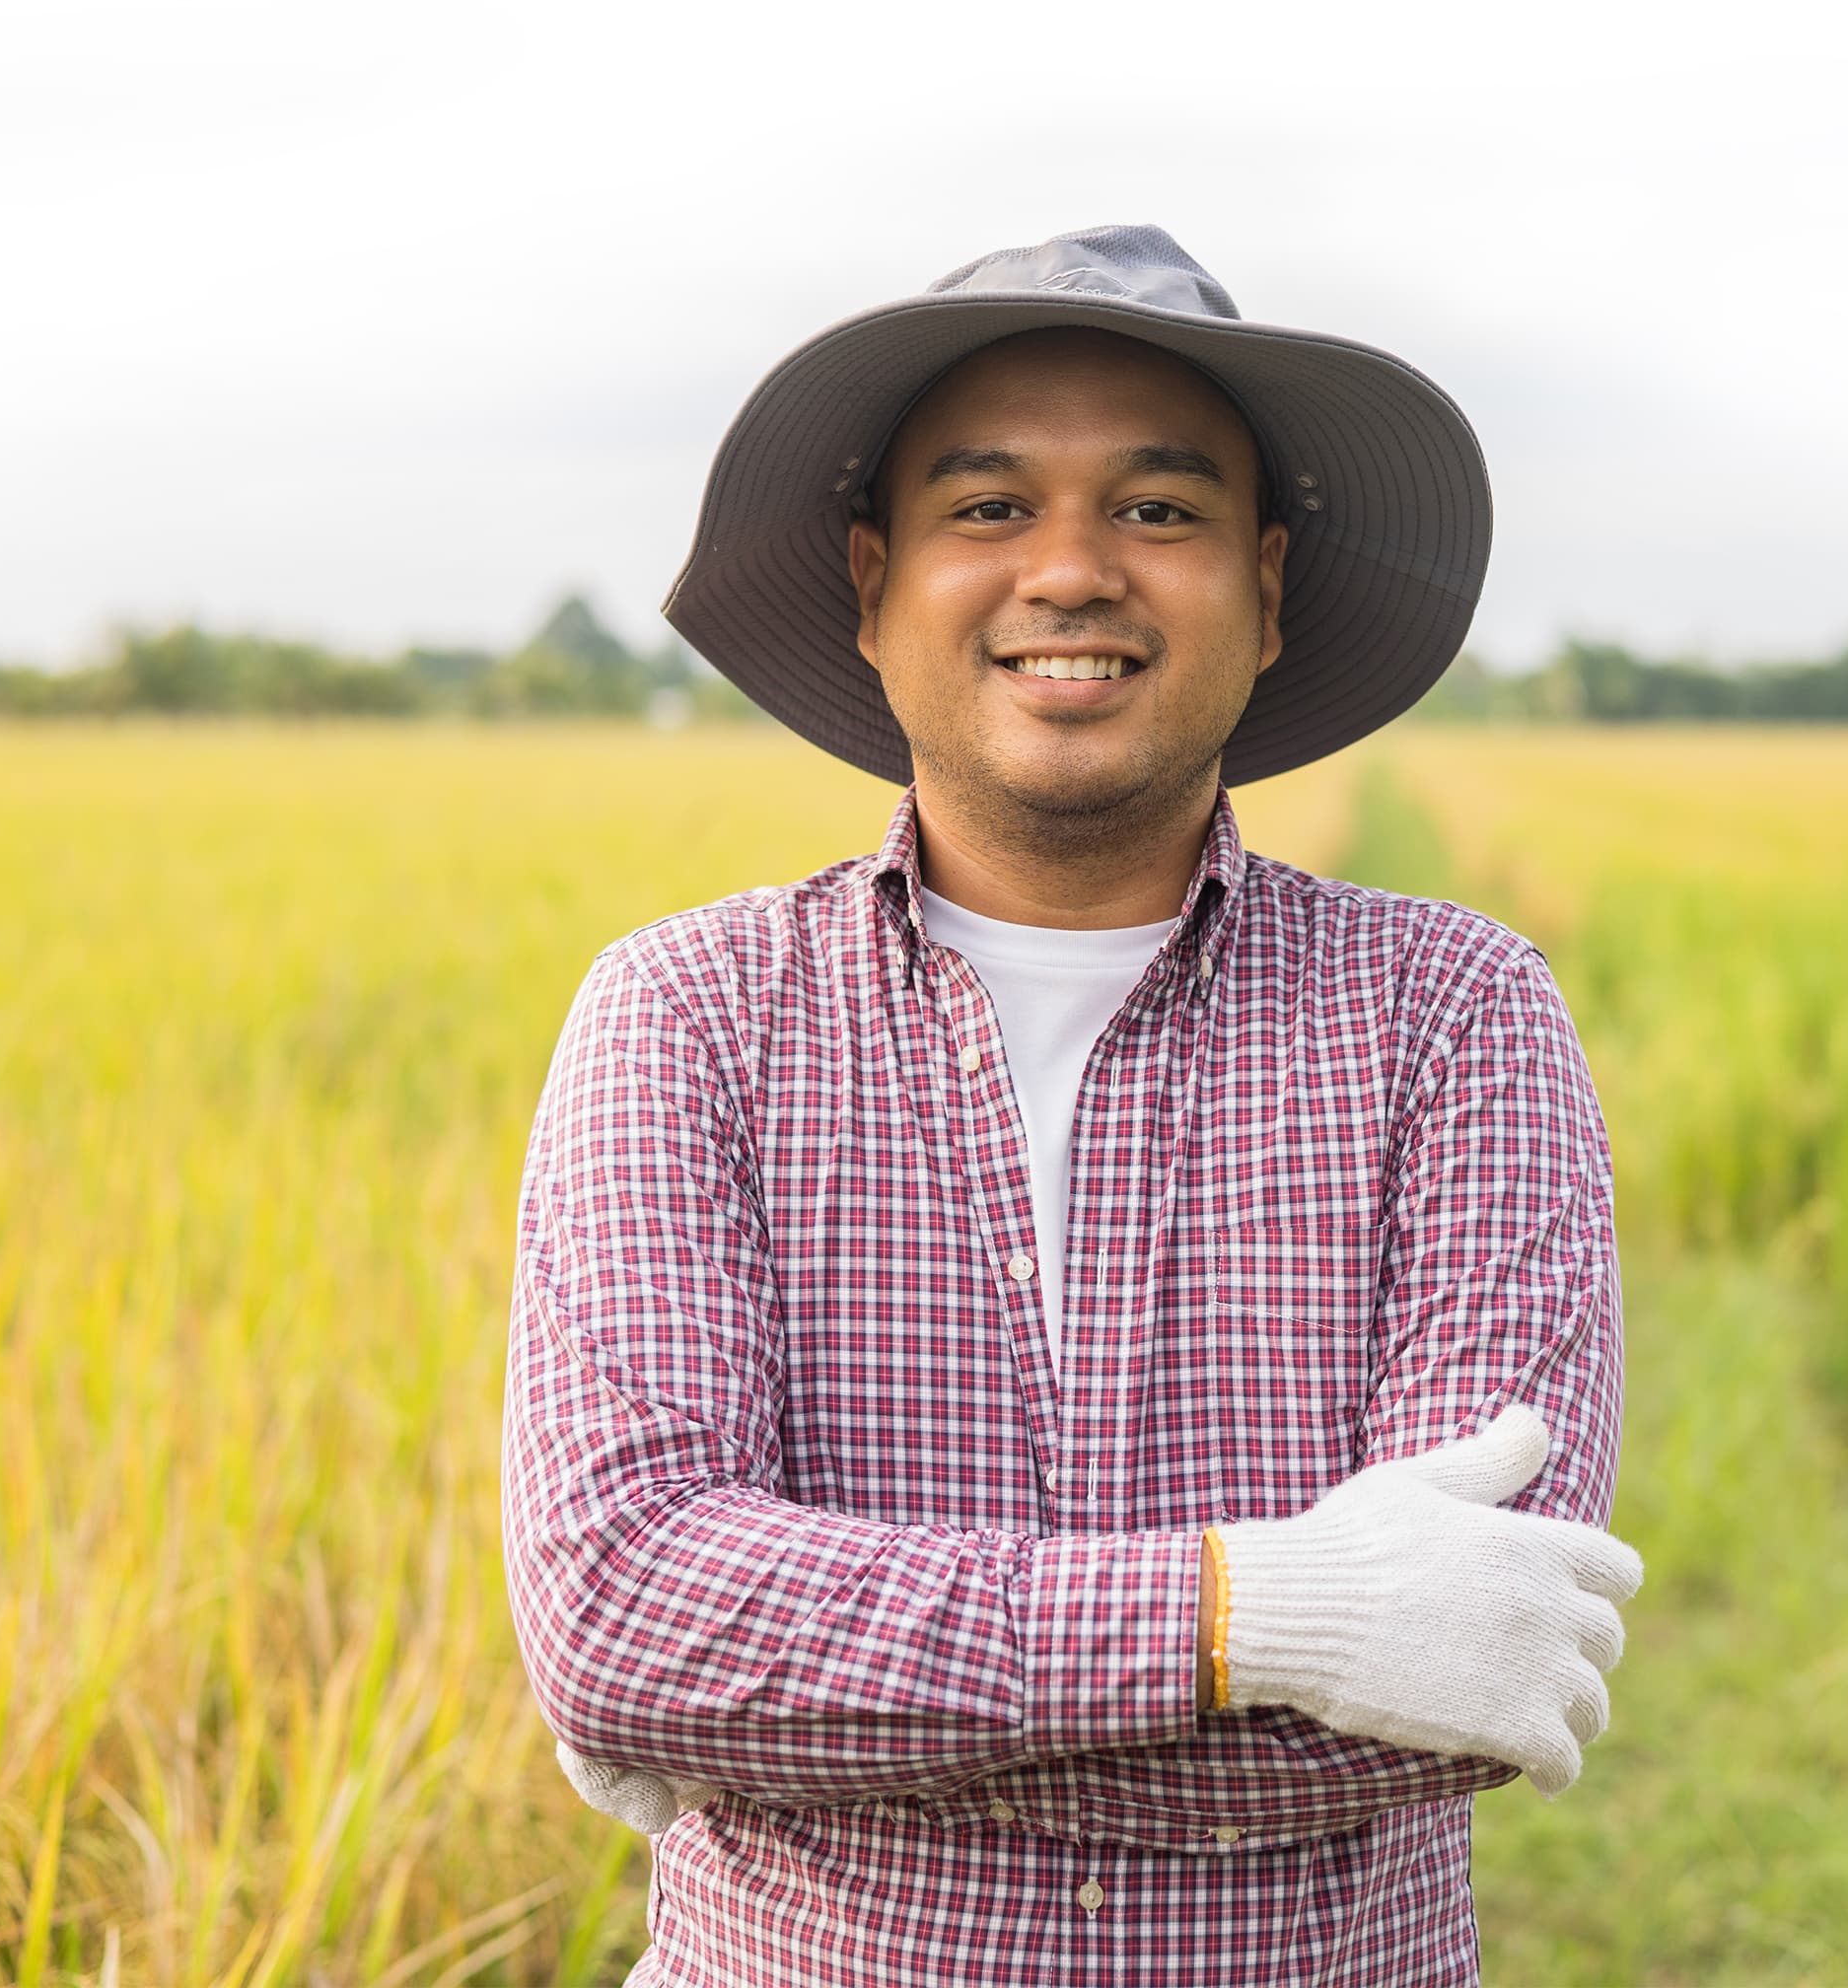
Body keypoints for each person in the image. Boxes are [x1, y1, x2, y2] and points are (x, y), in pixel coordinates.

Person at [500, 224, 1641, 1987]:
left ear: (1266, 591)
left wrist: (802, 1713)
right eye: (987, 508)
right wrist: (1265, 1619)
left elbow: (1473, 1674)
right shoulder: (689, 1016)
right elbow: (632, 1621)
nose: (1073, 572)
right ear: (874, 585)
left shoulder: (1456, 1017)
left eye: (1160, 511)